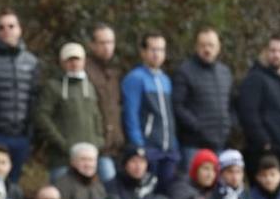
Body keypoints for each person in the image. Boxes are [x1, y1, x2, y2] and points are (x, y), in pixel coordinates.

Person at [238, 35, 280, 192]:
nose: (276, 54)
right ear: (266, 52)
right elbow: (248, 113)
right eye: (272, 50)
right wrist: (265, 142)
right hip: (266, 151)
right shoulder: (256, 77)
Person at [36, 42, 105, 178]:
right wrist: (62, 143)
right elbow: (42, 116)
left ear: (84, 61)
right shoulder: (53, 87)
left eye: (77, 60)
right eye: (69, 60)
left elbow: (97, 115)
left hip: (90, 157)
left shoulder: (90, 87)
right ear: (62, 62)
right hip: (62, 158)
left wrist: (99, 140)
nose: (74, 64)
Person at [0, 10, 39, 181]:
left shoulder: (31, 62)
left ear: (19, 30)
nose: (6, 31)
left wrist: (30, 132)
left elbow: (34, 97)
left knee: (13, 183)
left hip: (21, 135)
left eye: (11, 26)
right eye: (1, 27)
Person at [121, 31, 180, 185]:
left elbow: (169, 114)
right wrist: (139, 145)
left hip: (168, 148)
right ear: (143, 52)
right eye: (153, 49)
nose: (157, 54)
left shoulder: (165, 79)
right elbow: (131, 114)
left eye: (161, 50)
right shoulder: (135, 78)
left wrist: (173, 143)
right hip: (149, 147)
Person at [172, 28, 233, 166]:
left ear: (218, 48)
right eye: (203, 45)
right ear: (196, 47)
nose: (207, 49)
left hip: (219, 143)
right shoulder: (185, 71)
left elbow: (231, 103)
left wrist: (229, 124)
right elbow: (177, 105)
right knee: (191, 185)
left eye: (211, 45)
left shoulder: (225, 72)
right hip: (194, 145)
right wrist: (197, 126)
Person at [84, 23, 123, 181]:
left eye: (110, 42)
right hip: (96, 146)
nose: (107, 47)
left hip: (115, 145)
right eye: (102, 43)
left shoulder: (114, 72)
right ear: (92, 45)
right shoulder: (85, 70)